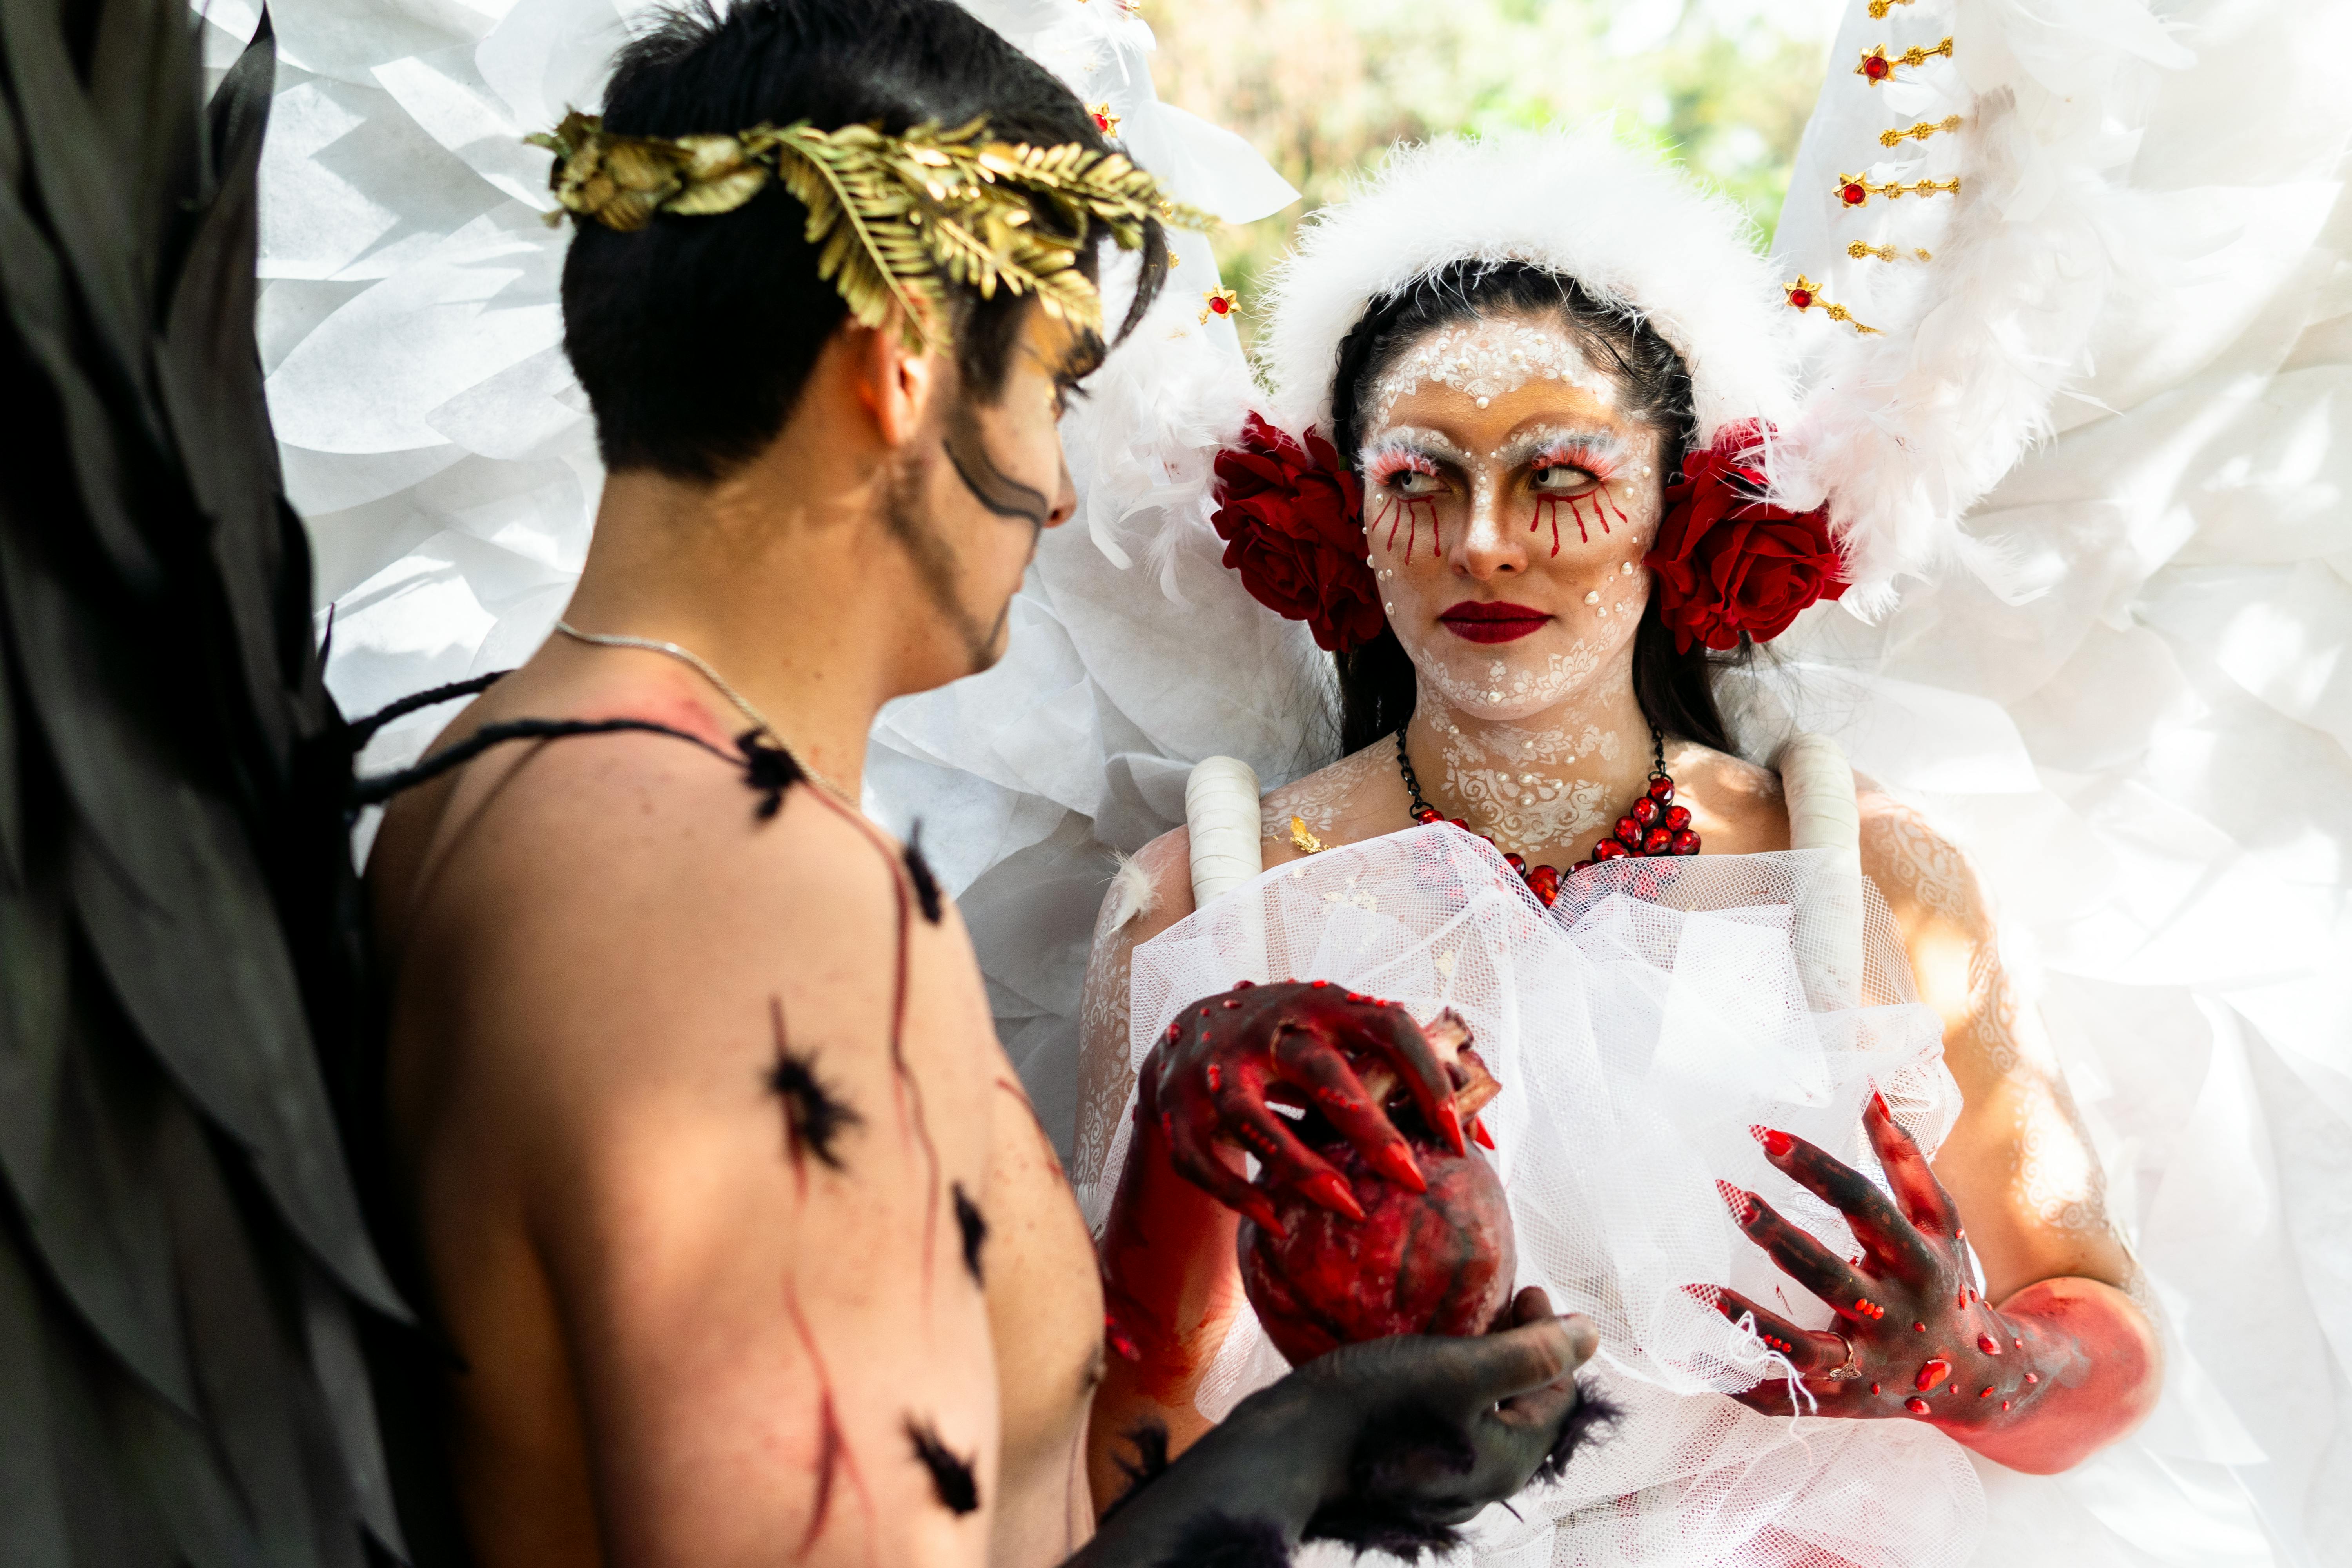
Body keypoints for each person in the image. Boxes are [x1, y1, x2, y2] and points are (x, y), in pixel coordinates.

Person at [363, 2, 1603, 1564]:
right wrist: (1295, 1455)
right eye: (1055, 388)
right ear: (903, 374)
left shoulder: (508, 781)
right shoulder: (749, 890)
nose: (1065, 484)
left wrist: (1179, 1150)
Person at [1074, 133, 2175, 1563]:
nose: (1484, 544)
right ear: (1346, 515)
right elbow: (1102, 1417)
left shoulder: (1865, 872)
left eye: (1560, 478)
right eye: (1420, 481)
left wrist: (1975, 1368)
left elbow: (2100, 1324)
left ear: (1681, 506)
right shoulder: (1211, 904)